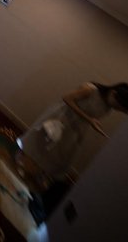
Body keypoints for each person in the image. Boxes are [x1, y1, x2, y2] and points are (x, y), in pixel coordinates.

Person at [14, 82, 128, 224]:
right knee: (43, 145)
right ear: (113, 93)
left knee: (58, 153)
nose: (116, 109)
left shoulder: (108, 107)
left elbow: (92, 116)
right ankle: (24, 162)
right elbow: (67, 99)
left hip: (76, 128)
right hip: (62, 119)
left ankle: (37, 171)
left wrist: (91, 123)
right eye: (118, 106)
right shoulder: (90, 89)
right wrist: (90, 120)